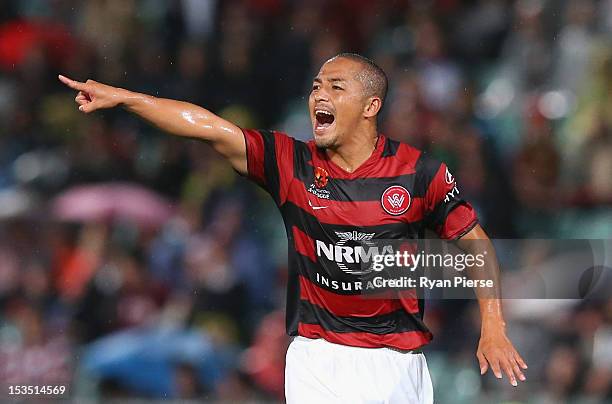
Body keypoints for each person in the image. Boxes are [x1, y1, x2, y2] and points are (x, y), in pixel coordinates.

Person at [59, 53, 527, 403]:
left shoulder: (418, 172)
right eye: (316, 86)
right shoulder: (292, 163)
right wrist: (126, 99)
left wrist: (493, 325)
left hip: (392, 364)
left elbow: (474, 243)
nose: (319, 95)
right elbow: (208, 128)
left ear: (370, 106)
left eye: (336, 87)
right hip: (314, 355)